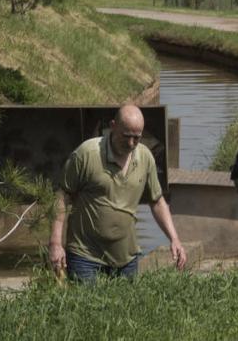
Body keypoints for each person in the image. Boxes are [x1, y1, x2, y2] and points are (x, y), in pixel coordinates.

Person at [49, 104, 187, 281]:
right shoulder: (87, 154)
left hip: (126, 258)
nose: (131, 143)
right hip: (85, 256)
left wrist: (174, 239)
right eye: (126, 136)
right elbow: (62, 196)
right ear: (113, 126)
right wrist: (55, 243)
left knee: (125, 308)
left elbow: (157, 201)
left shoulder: (145, 158)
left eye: (137, 138)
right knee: (86, 307)